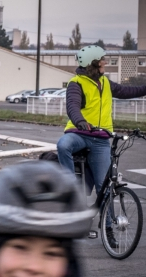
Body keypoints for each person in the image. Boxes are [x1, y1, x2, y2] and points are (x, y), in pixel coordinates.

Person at [56, 45, 146, 246]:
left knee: (105, 187)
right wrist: (80, 121)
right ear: (93, 63)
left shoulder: (105, 82)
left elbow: (127, 91)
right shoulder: (76, 83)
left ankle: (107, 230)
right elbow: (72, 106)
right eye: (103, 59)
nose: (105, 62)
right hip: (79, 133)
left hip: (101, 138)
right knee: (63, 145)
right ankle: (69, 187)